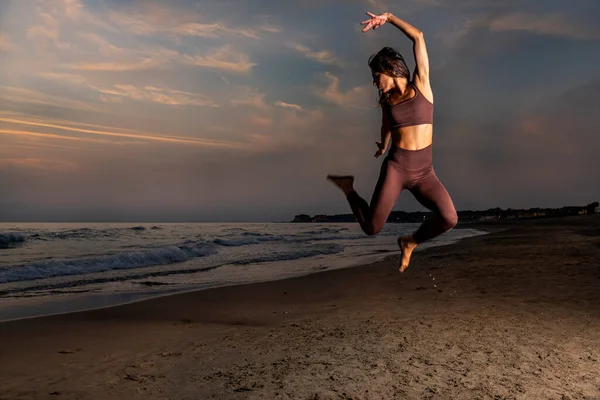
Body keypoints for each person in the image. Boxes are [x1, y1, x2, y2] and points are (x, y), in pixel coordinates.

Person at [327, 11, 458, 272]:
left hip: (424, 173)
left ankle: (410, 242)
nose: (375, 82)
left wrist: (388, 18)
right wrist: (383, 143)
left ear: (389, 69)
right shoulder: (388, 102)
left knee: (449, 218)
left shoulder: (422, 85)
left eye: (377, 76)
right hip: (397, 169)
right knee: (371, 227)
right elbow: (387, 125)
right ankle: (348, 188)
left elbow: (418, 37)